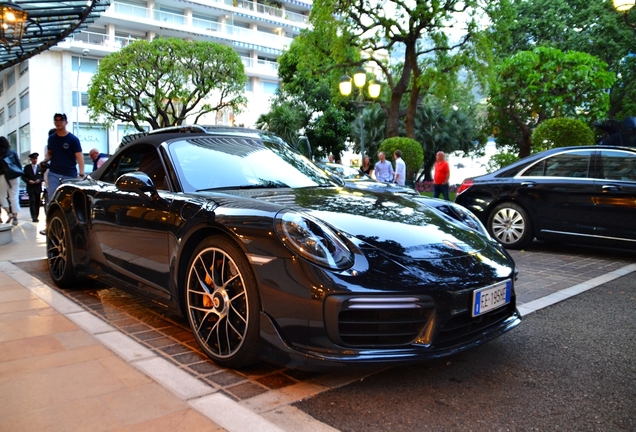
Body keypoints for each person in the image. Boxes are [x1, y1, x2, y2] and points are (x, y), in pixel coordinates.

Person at [43, 113, 85, 196]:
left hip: (69, 174)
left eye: (61, 120)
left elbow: (80, 158)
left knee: (68, 198)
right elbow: (49, 153)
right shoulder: (51, 139)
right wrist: (45, 160)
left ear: (66, 122)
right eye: (56, 120)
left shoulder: (73, 139)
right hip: (54, 173)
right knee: (53, 197)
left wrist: (81, 174)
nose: (58, 122)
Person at [0, 136, 22, 225]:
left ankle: (9, 213)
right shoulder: (13, 152)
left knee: (1, 196)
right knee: (14, 197)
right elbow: (19, 164)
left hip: (2, 176)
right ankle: (15, 218)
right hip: (14, 175)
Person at [22, 152, 44, 222]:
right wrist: (28, 181)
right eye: (34, 159)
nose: (35, 160)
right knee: (32, 201)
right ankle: (33, 217)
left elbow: (42, 177)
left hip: (37, 187)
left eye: (36, 159)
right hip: (31, 187)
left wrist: (39, 180)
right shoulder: (27, 168)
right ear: (31, 159)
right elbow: (23, 177)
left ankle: (36, 216)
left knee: (37, 202)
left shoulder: (40, 168)